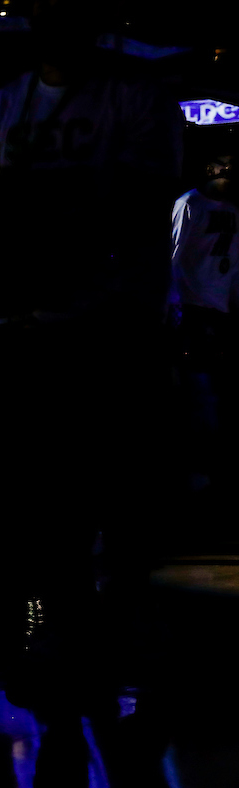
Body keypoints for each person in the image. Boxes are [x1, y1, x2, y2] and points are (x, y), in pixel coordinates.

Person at [0, 0, 183, 718]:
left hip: (109, 328)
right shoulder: (5, 104)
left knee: (116, 499)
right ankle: (63, 634)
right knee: (47, 504)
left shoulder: (137, 96)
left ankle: (119, 635)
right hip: (30, 332)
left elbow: (139, 206)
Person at [167, 145, 239, 531]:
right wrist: (176, 305)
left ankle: (207, 475)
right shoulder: (189, 204)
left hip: (218, 311)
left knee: (215, 394)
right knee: (200, 393)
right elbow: (175, 256)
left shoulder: (231, 210)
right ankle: (197, 476)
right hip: (195, 310)